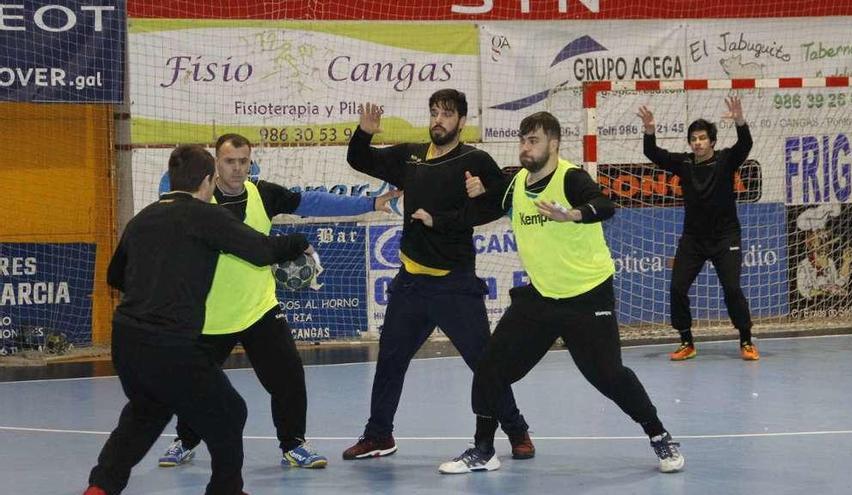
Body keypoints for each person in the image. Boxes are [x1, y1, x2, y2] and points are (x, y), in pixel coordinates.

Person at [435, 111, 684, 474]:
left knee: (609, 377)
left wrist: (572, 215)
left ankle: (659, 435)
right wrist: (473, 197)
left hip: (587, 297)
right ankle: (484, 449)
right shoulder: (515, 183)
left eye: (533, 140)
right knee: (490, 368)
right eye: (522, 140)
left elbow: (605, 206)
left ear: (553, 143)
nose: (525, 147)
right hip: (541, 298)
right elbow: (481, 211)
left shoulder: (571, 178)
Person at [158, 133, 399, 469]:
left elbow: (312, 203)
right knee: (194, 384)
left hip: (259, 309)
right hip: (210, 315)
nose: (238, 168)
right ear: (216, 163)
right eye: (229, 161)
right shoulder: (196, 202)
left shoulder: (264, 195)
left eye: (244, 161)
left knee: (288, 379)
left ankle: (293, 444)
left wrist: (369, 203)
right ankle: (185, 440)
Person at [83, 145, 312, 495]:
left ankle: (99, 488)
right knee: (230, 412)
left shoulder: (141, 219)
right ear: (208, 181)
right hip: (170, 345)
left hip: (126, 343)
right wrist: (299, 242)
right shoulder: (207, 215)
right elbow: (262, 251)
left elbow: (116, 276)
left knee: (145, 414)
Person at [343, 89, 533, 460]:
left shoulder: (476, 160)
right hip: (410, 282)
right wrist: (364, 132)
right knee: (390, 360)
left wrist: (472, 200)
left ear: (461, 122)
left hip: (454, 283)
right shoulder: (410, 157)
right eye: (433, 113)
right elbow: (359, 158)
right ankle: (379, 435)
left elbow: (498, 205)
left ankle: (516, 429)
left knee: (484, 364)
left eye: (446, 114)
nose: (438, 120)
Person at [638, 96, 759, 361]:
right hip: (693, 239)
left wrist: (739, 120)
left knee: (732, 288)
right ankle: (686, 341)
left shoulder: (727, 159)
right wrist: (649, 131)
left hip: (726, 237)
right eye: (694, 138)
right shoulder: (684, 164)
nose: (697, 142)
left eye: (702, 138)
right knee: (677, 288)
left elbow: (746, 144)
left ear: (712, 141)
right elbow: (653, 153)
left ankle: (746, 340)